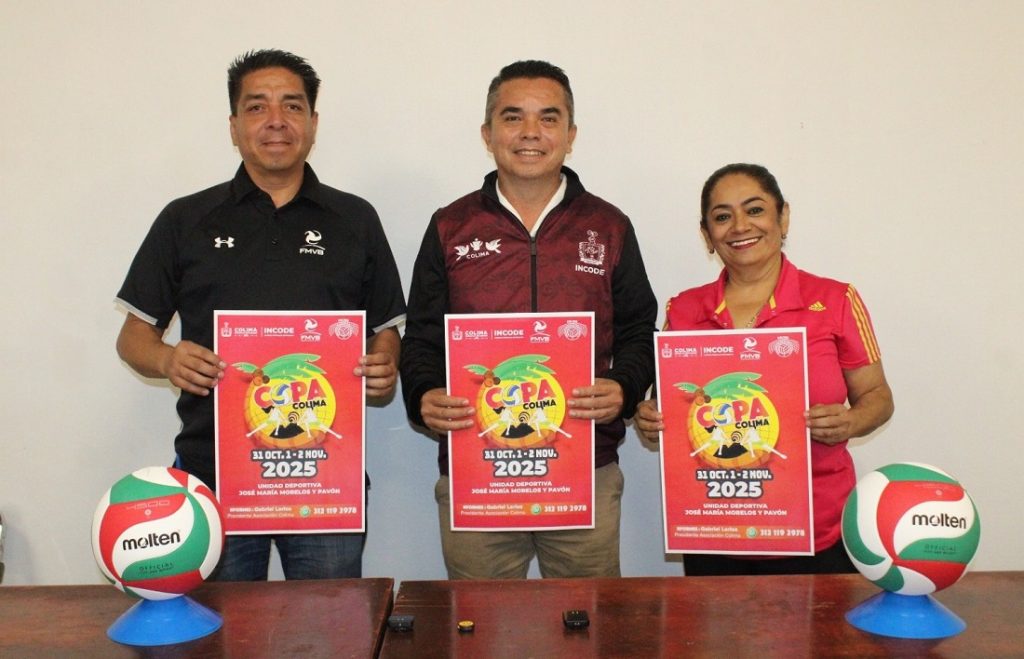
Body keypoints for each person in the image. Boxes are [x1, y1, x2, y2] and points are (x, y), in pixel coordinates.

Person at [114, 49, 406, 580]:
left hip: (325, 475)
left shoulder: (355, 219)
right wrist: (168, 359)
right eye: (257, 107)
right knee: (226, 626)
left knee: (330, 621)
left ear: (313, 123)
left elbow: (384, 330)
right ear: (233, 126)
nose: (276, 121)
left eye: (292, 106)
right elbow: (133, 337)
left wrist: (384, 364)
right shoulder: (186, 219)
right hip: (216, 474)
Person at [401, 60, 657, 580]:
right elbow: (422, 335)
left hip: (585, 467)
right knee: (478, 621)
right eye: (513, 117)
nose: (530, 132)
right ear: (488, 133)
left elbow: (638, 329)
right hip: (478, 466)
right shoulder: (450, 226)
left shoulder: (609, 226)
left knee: (587, 619)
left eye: (548, 118)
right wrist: (423, 393)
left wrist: (624, 387)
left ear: (571, 134)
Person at [636, 163, 894, 575]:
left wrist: (849, 421)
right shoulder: (682, 309)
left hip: (817, 532)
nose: (740, 226)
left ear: (783, 217)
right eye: (722, 217)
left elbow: (878, 398)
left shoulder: (835, 299)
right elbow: (667, 403)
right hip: (712, 530)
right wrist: (651, 417)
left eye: (754, 210)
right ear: (706, 234)